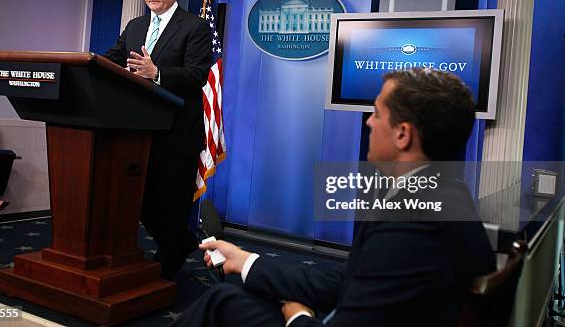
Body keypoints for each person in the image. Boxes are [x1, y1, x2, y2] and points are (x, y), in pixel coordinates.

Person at [171, 68, 496, 326]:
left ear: (402, 134)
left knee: (221, 301)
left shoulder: (409, 222)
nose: (368, 121)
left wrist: (297, 318)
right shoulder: (448, 192)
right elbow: (355, 277)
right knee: (228, 296)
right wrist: (245, 261)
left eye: (377, 114)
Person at [104, 0, 213, 279]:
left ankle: (170, 258)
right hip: (138, 129)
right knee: (140, 200)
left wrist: (157, 73)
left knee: (170, 201)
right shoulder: (135, 26)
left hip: (176, 131)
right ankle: (180, 243)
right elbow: (112, 59)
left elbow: (197, 76)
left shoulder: (194, 26)